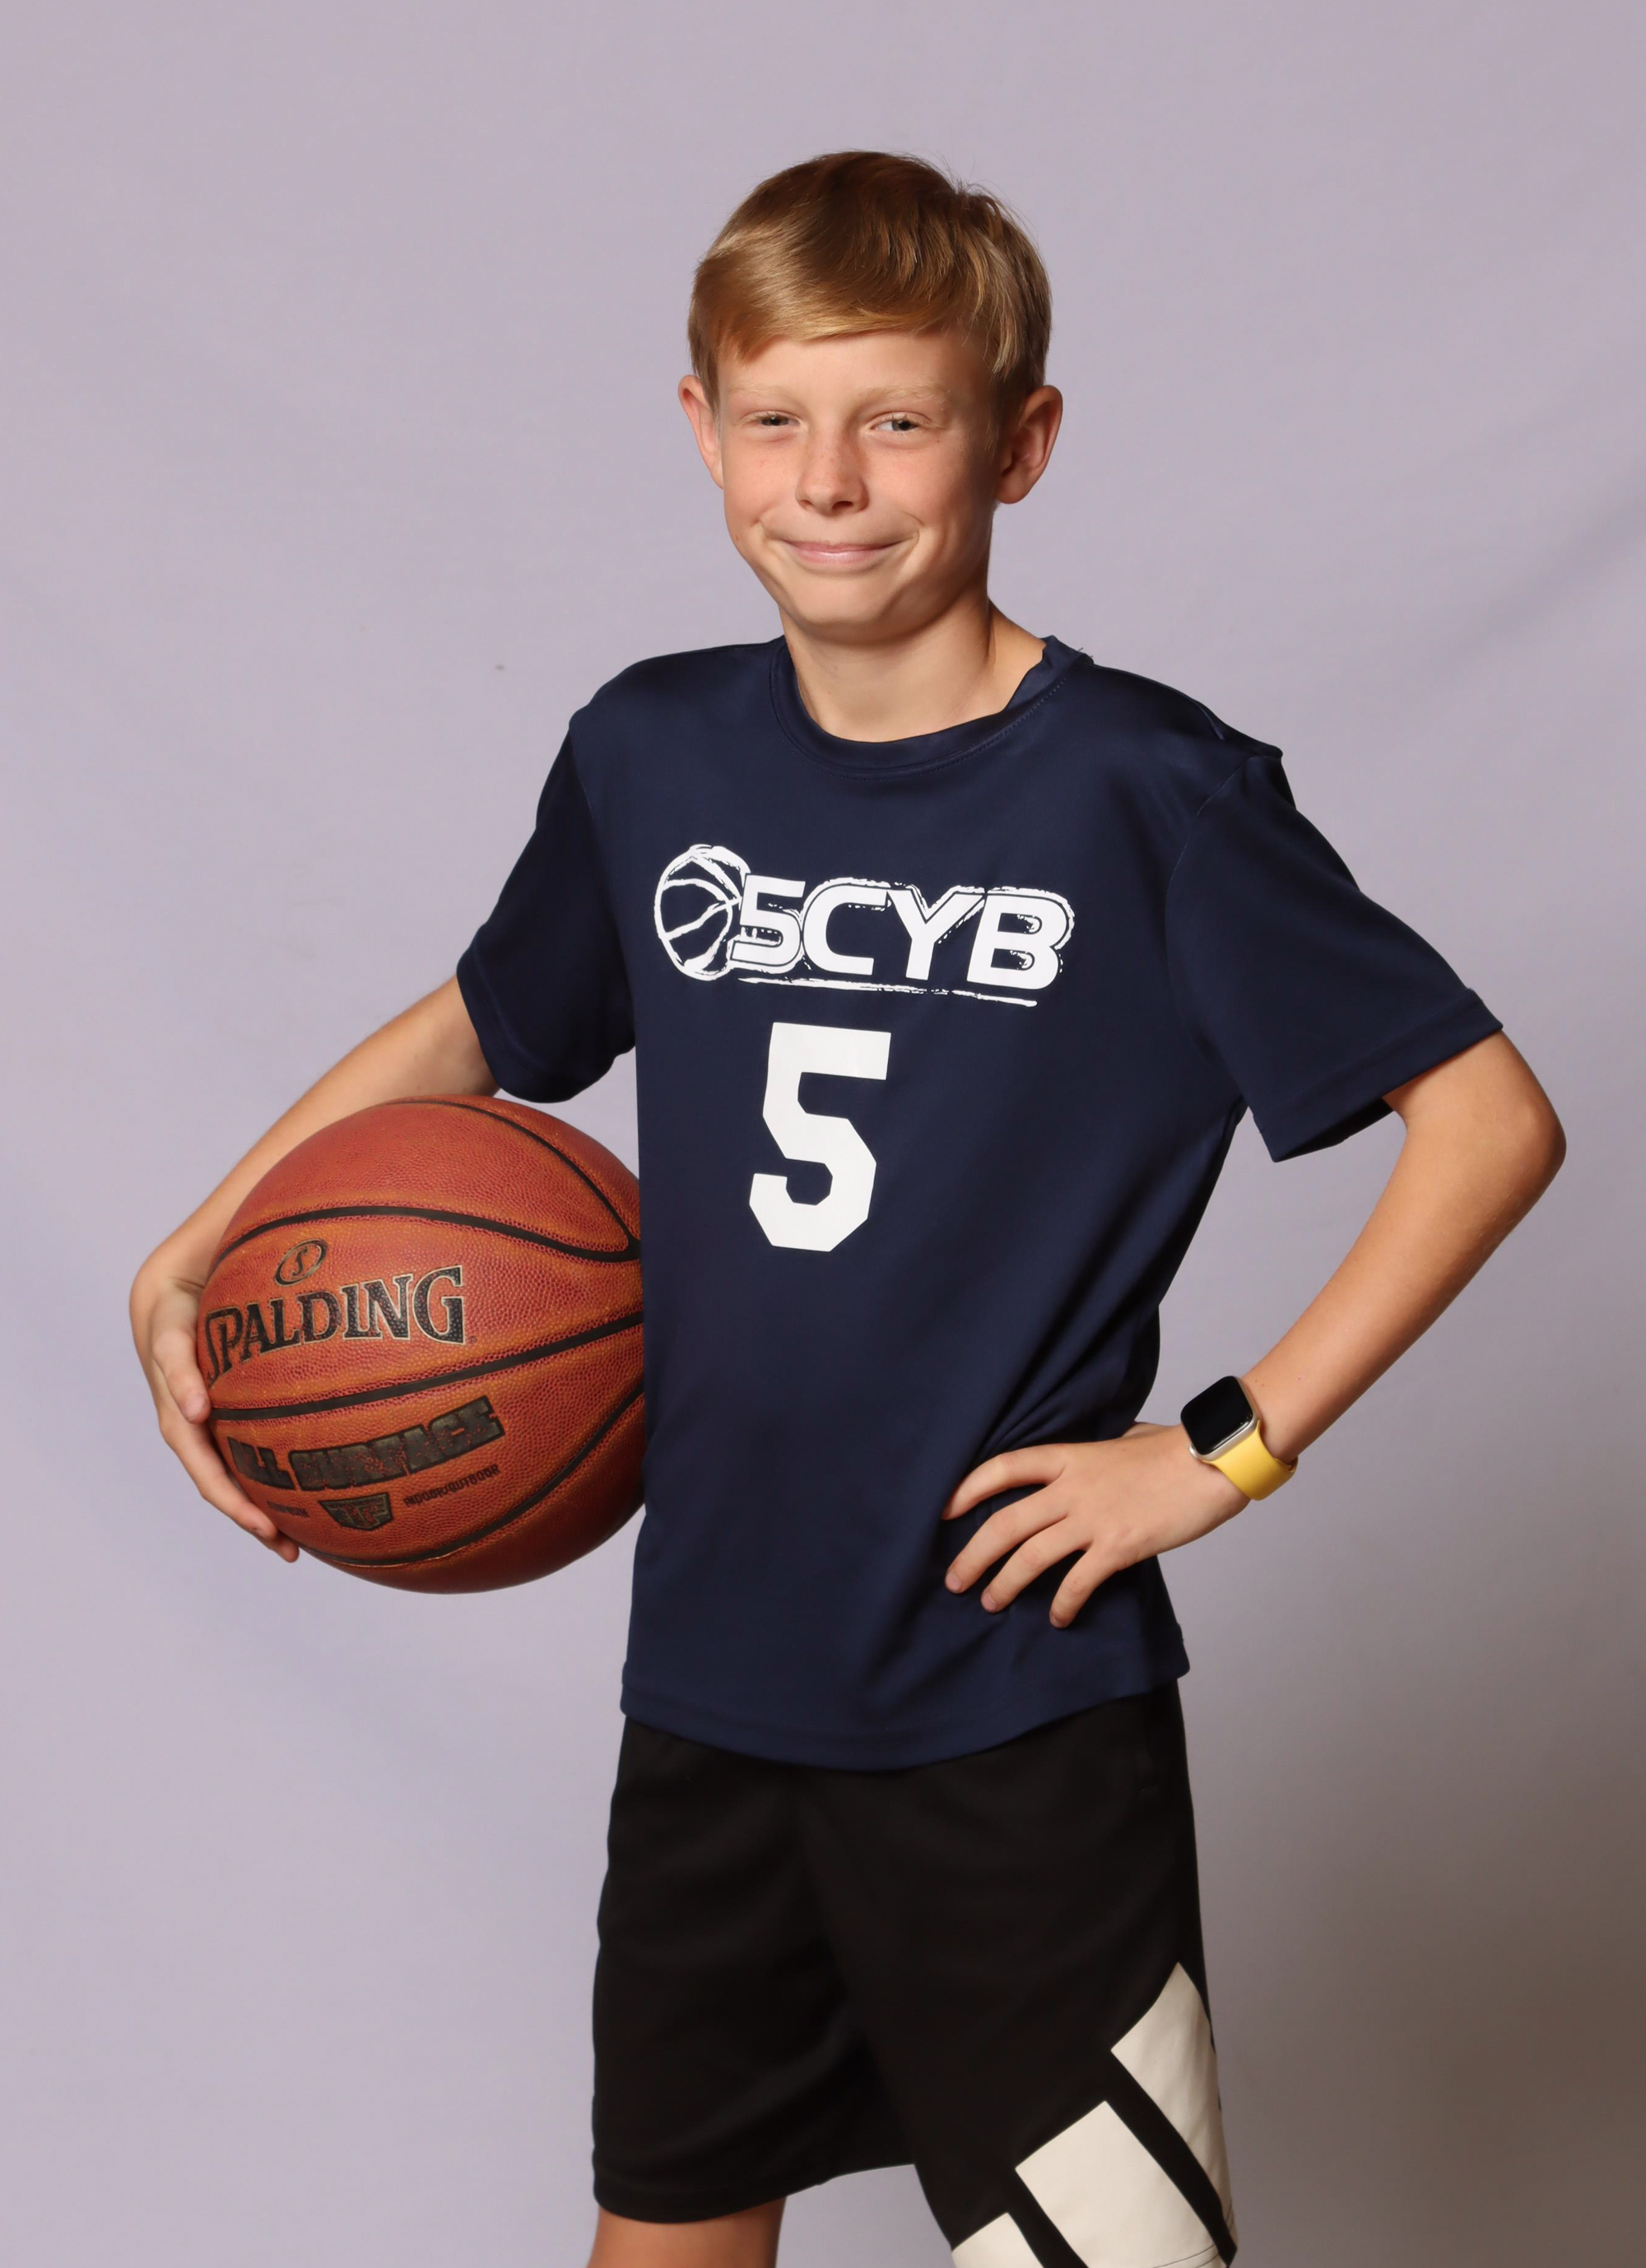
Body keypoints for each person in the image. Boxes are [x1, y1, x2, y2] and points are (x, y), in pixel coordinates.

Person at [131, 151, 1565, 2268]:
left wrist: (1222, 1449)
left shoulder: (1148, 791)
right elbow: (479, 1025)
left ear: (1019, 441)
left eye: (898, 419)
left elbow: (1488, 1119)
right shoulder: (650, 751)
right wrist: (205, 1239)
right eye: (776, 418)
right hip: (713, 1689)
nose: (829, 480)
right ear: (699, 426)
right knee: (667, 2245)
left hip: (1009, 1711)